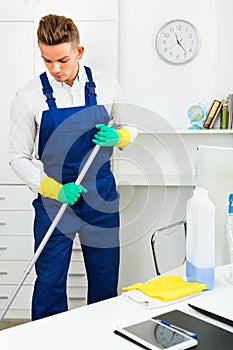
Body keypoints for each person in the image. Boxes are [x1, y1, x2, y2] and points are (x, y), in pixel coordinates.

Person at [9, 14, 137, 321]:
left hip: (101, 199)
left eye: (62, 60)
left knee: (105, 282)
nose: (55, 69)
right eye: (47, 61)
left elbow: (131, 126)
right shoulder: (28, 97)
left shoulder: (107, 85)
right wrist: (54, 189)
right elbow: (17, 157)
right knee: (50, 282)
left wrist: (120, 136)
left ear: (78, 52)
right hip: (55, 201)